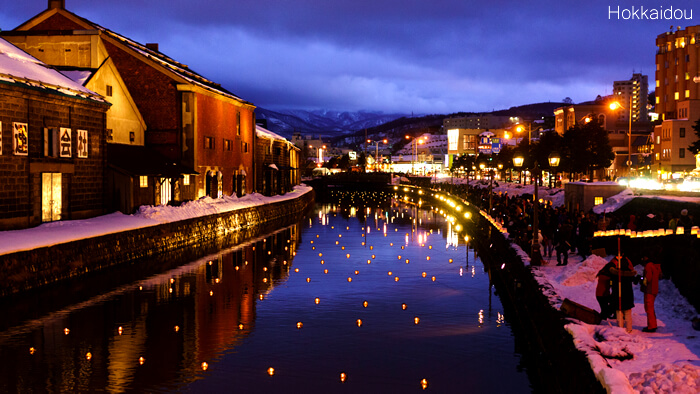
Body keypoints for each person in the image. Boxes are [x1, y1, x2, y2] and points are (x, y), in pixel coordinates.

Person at [610, 253, 637, 333]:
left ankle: (620, 328)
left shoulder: (615, 274)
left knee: (619, 313)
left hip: (618, 295)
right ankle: (629, 329)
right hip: (628, 296)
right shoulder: (630, 274)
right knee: (628, 313)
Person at [642, 248, 662, 333]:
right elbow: (659, 276)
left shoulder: (648, 266)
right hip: (654, 289)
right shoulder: (656, 266)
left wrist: (642, 280)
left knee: (648, 308)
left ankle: (651, 326)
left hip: (649, 290)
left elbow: (648, 278)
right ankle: (653, 324)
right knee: (651, 308)